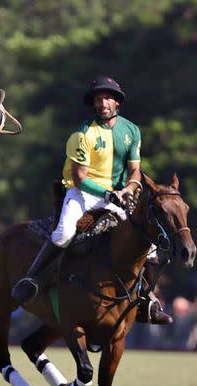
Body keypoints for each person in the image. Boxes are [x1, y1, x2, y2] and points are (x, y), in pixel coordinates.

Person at [10, 75, 172, 324]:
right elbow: (78, 178)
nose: (103, 102)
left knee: (148, 246)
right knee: (63, 234)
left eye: (108, 97)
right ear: (94, 104)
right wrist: (107, 193)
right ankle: (31, 280)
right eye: (98, 98)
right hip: (83, 193)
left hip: (118, 196)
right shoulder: (82, 133)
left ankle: (148, 303)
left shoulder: (131, 131)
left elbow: (135, 169)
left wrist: (131, 186)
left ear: (117, 101)